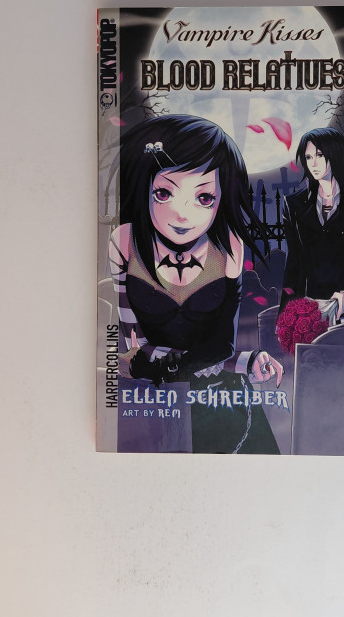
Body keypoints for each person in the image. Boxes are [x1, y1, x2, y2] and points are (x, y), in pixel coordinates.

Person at [108, 115, 282, 454]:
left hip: (220, 398)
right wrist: (237, 361)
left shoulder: (228, 246)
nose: (182, 214)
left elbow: (222, 346)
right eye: (164, 193)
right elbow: (132, 351)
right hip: (153, 398)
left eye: (204, 198)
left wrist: (243, 361)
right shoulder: (125, 242)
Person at [280, 127, 344, 324]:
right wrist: (284, 318)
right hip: (308, 313)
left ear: (336, 154)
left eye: (319, 155)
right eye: (308, 157)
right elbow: (292, 267)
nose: (313, 163)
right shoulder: (293, 205)